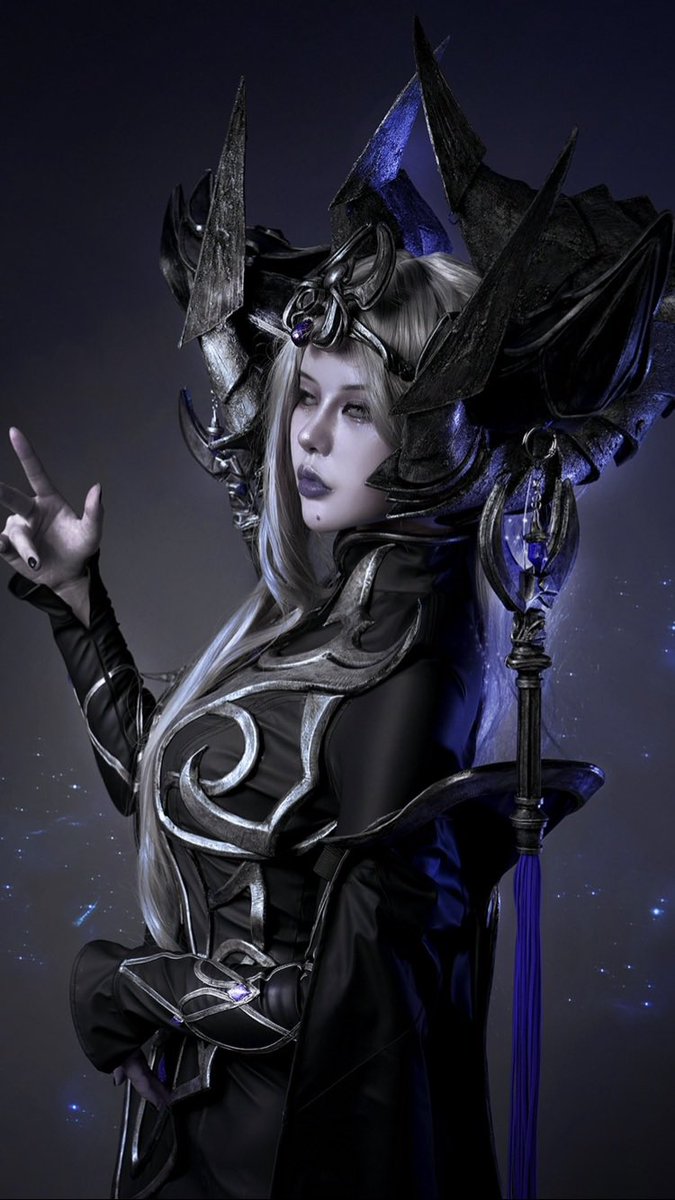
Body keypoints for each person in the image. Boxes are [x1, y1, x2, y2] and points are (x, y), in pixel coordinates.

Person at [2, 25, 672, 1200]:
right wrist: (73, 601)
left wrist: (128, 986)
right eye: (302, 394)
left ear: (427, 432)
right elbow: (175, 787)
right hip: (195, 1139)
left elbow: (347, 1005)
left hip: (284, 1164)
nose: (305, 435)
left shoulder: (417, 664)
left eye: (354, 408)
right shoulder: (323, 617)